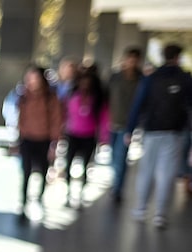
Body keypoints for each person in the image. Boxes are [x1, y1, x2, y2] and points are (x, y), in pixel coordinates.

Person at [126, 44, 192, 229]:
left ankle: (140, 209)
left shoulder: (151, 78)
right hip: (175, 132)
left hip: (152, 131)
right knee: (167, 174)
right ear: (178, 57)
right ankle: (160, 214)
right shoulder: (185, 79)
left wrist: (130, 130)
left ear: (162, 56)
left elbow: (138, 104)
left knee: (146, 171)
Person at [16, 65, 62, 219]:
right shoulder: (23, 96)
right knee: (26, 171)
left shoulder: (50, 97)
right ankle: (23, 203)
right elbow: (19, 118)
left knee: (42, 171)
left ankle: (40, 199)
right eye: (29, 78)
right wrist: (20, 135)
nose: (31, 81)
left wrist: (54, 143)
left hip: (43, 140)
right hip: (27, 140)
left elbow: (56, 120)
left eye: (34, 78)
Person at [62, 68, 108, 207]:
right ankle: (68, 192)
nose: (85, 85)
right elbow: (64, 113)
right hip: (72, 134)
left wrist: (103, 138)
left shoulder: (98, 99)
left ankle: (81, 193)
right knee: (68, 163)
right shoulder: (72, 95)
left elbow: (104, 119)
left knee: (85, 165)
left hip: (89, 136)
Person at [106, 47, 143, 202]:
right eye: (129, 59)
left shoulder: (141, 80)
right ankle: (116, 182)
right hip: (111, 122)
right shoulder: (115, 77)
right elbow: (106, 96)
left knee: (120, 157)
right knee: (112, 157)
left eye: (134, 60)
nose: (131, 63)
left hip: (127, 125)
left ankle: (117, 189)